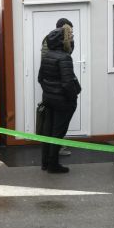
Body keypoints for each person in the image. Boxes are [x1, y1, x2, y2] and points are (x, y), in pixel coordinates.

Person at [38, 25, 81, 174]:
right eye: (70, 37)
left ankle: (45, 163)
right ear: (63, 40)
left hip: (49, 99)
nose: (72, 39)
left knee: (48, 132)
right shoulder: (64, 57)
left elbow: (40, 78)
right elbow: (67, 83)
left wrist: (49, 91)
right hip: (62, 102)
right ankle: (53, 165)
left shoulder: (47, 55)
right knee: (58, 133)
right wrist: (73, 98)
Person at [41, 18, 74, 158]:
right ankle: (55, 155)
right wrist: (72, 99)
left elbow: (41, 75)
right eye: (70, 33)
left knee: (51, 126)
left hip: (50, 91)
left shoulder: (50, 41)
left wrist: (48, 89)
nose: (71, 35)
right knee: (57, 127)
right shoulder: (61, 53)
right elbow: (66, 80)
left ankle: (48, 159)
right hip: (58, 93)